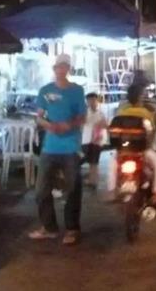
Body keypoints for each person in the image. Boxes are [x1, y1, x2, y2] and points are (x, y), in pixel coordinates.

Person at [29, 53, 86, 246]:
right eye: (58, 67)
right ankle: (49, 227)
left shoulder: (77, 91)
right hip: (50, 147)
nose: (61, 70)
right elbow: (39, 117)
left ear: (68, 69)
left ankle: (72, 229)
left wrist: (68, 125)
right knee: (41, 190)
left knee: (73, 189)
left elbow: (81, 117)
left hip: (70, 147)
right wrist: (49, 125)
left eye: (64, 67)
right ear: (54, 69)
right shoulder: (45, 91)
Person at [109, 83, 156, 206]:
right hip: (142, 151)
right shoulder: (146, 113)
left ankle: (111, 191)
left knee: (113, 165)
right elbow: (152, 132)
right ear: (140, 97)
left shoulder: (122, 111)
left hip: (122, 151)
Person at [81, 92, 108, 188]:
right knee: (86, 160)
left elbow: (106, 125)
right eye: (89, 100)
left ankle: (93, 181)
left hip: (97, 141)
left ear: (97, 101)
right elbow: (81, 124)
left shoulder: (101, 113)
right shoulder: (84, 113)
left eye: (93, 100)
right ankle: (90, 180)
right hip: (86, 140)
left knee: (94, 162)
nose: (92, 102)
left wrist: (101, 125)